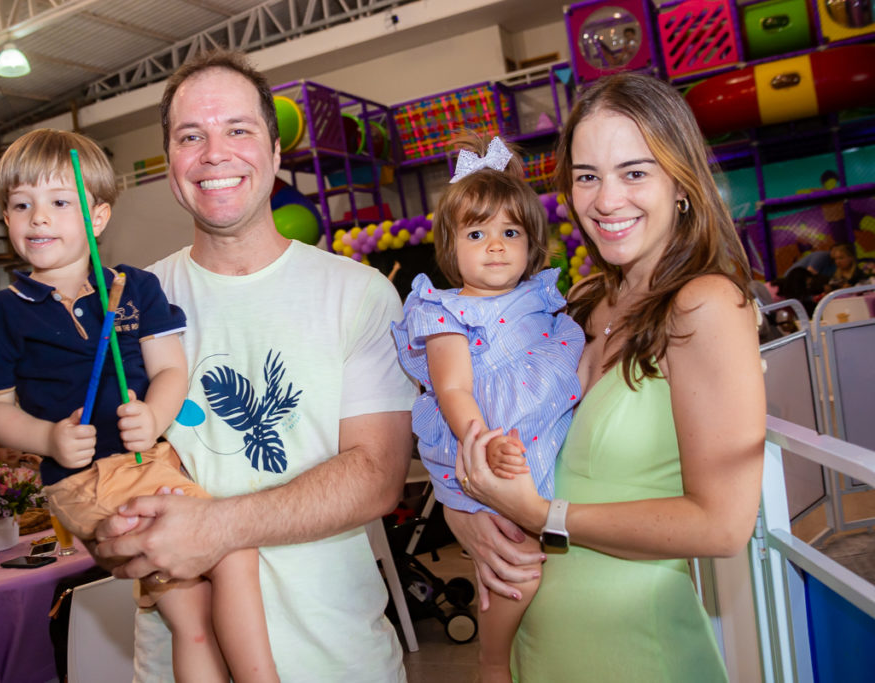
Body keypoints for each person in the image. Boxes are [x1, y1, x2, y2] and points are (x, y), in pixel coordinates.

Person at [93, 49, 417, 682]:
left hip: (338, 658)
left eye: (238, 130)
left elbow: (379, 475)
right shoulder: (125, 307)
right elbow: (103, 473)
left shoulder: (358, 293)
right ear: (170, 166)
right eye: (192, 136)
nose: (216, 153)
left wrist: (216, 526)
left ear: (275, 151)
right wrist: (106, 530)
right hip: (180, 662)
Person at [448, 72, 766, 681]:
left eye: (635, 172)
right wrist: (471, 514)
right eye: (587, 176)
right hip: (535, 649)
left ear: (681, 183)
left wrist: (546, 516)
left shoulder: (704, 305)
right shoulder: (581, 305)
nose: (606, 199)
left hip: (636, 655)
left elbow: (723, 524)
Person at [0, 128, 278, 683]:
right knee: (209, 587)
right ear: (6, 220)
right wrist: (47, 439)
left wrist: (155, 414)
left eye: (60, 203)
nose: (39, 219)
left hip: (148, 463)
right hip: (84, 481)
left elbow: (171, 370)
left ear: (98, 217)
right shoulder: (0, 313)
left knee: (204, 595)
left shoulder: (136, 289)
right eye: (21, 205)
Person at [390, 134, 584, 682]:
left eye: (510, 232)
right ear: (452, 247)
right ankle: (492, 659)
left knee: (538, 560)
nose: (495, 245)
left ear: (531, 242)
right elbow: (452, 389)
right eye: (477, 233)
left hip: (539, 436)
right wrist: (482, 440)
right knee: (513, 560)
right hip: (485, 446)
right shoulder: (444, 308)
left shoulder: (542, 300)